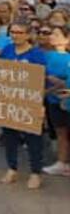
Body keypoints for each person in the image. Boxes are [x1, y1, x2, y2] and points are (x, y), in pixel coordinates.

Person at [0, 23, 47, 189]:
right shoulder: (7, 50)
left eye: (20, 32)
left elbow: (40, 79)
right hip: (9, 100)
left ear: (27, 35)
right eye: (13, 32)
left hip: (29, 102)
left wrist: (40, 104)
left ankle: (35, 172)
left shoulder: (36, 54)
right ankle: (12, 168)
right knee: (9, 136)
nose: (15, 35)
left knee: (33, 138)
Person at [44, 26, 70, 176]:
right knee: (60, 132)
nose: (52, 36)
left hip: (65, 100)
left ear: (67, 39)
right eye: (52, 33)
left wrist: (55, 85)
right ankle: (62, 162)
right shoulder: (46, 55)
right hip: (53, 101)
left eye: (56, 34)